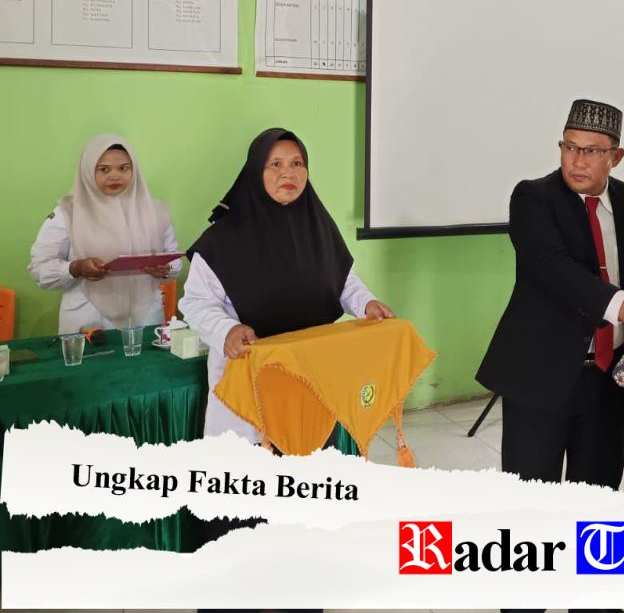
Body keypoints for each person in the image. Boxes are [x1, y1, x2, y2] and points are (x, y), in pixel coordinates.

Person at [476, 98, 624, 491]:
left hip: (610, 376)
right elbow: (552, 267)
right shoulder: (533, 198)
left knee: (598, 495)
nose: (576, 161)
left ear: (615, 157)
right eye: (569, 147)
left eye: (591, 151)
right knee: (531, 497)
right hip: (542, 373)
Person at [180, 128, 394, 442]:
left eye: (297, 163)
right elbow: (196, 303)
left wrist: (366, 303)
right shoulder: (222, 239)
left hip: (310, 376)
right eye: (275, 164)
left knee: (311, 454)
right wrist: (227, 330)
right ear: (256, 172)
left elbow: (342, 281)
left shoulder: (318, 226)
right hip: (250, 386)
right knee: (254, 467)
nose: (288, 173)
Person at [29, 135, 179, 334]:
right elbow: (39, 269)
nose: (115, 176)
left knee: (144, 356)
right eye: (104, 169)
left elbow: (174, 259)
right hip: (88, 319)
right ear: (87, 170)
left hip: (144, 318)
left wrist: (165, 269)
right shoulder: (68, 212)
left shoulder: (154, 211)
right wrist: (76, 268)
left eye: (124, 168)